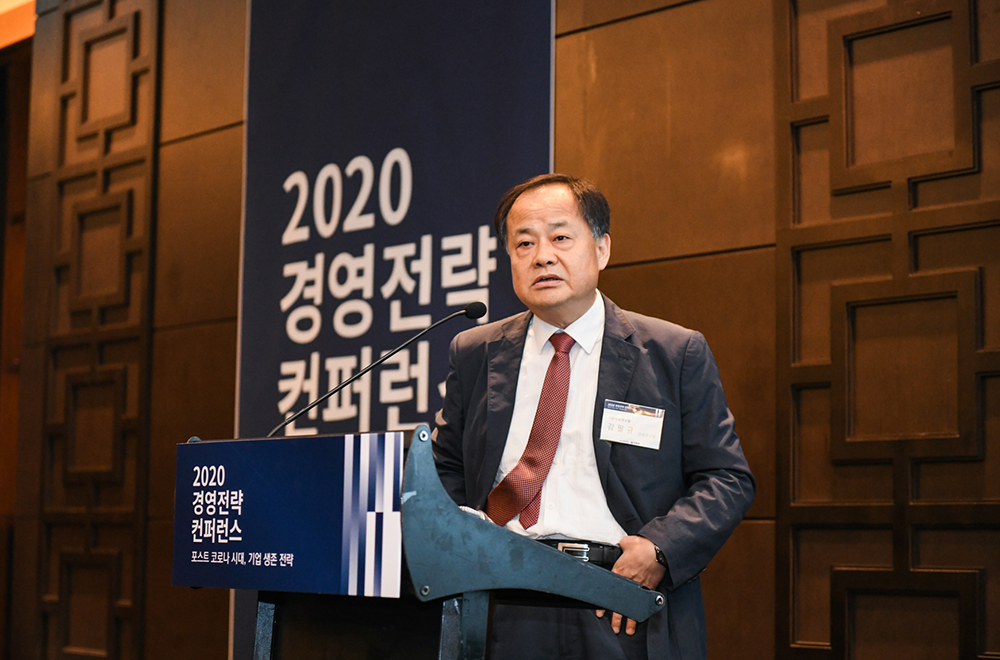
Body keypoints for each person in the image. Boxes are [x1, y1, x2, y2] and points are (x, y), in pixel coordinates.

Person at [433, 173, 755, 660]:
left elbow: (727, 478)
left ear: (602, 249)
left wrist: (660, 550)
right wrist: (464, 538)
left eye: (561, 238)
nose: (542, 256)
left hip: (620, 601)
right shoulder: (475, 351)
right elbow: (446, 469)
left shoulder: (672, 352)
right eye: (524, 243)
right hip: (502, 600)